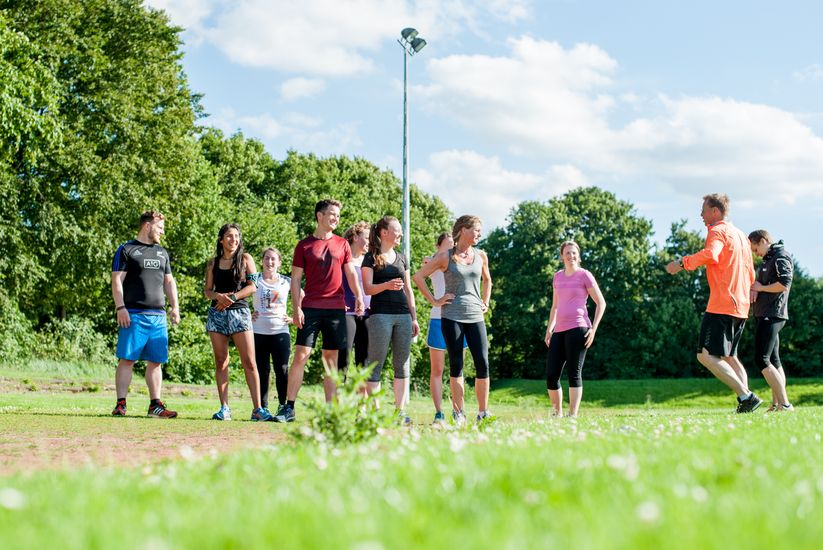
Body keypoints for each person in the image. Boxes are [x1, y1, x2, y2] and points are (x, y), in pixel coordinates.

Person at [666, 193, 761, 413]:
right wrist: (746, 296)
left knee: (705, 355)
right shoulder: (740, 236)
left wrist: (681, 263)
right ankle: (747, 400)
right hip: (741, 305)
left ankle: (746, 396)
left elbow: (711, 254)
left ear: (715, 211)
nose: (701, 214)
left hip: (722, 303)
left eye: (704, 209)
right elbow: (750, 272)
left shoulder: (718, 231)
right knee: (730, 356)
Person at [275, 199, 365, 423]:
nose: (336, 218)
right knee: (301, 356)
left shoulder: (343, 244)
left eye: (338, 215)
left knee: (331, 360)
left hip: (336, 309)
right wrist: (296, 308)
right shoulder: (303, 245)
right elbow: (295, 280)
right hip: (311, 309)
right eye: (332, 214)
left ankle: (330, 411)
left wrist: (359, 297)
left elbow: (351, 274)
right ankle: (289, 408)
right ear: (320, 216)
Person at [413, 215, 493, 424]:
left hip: (475, 316)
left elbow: (487, 280)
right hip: (451, 316)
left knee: (482, 363)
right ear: (463, 230)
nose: (479, 234)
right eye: (476, 230)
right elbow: (418, 276)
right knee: (457, 364)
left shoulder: (481, 255)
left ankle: (483, 413)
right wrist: (435, 300)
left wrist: (485, 301)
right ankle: (459, 413)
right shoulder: (444, 256)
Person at [111, 211, 180, 418]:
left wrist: (175, 306)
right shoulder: (126, 249)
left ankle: (155, 406)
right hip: (133, 314)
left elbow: (169, 282)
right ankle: (121, 404)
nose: (162, 232)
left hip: (158, 316)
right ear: (147, 226)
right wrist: (120, 307)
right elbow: (116, 280)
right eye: (160, 228)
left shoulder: (162, 252)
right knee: (127, 359)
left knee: (156, 362)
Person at [204, 223, 273, 421]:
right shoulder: (213, 263)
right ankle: (224, 408)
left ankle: (258, 409)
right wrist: (218, 296)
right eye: (229, 236)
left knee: (249, 362)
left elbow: (253, 286)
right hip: (217, 315)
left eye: (236, 236)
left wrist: (232, 298)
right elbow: (207, 291)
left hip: (240, 313)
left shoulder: (245, 259)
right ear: (221, 240)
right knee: (220, 361)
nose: (233, 240)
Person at [361, 216, 419, 424]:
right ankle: (375, 412)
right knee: (376, 363)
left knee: (402, 364)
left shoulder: (402, 258)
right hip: (380, 316)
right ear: (384, 232)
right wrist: (386, 285)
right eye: (397, 230)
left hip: (403, 316)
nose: (400, 234)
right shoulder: (370, 257)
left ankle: (399, 412)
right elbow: (368, 288)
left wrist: (414, 317)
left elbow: (409, 290)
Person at [543, 241, 606, 418]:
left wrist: (593, 329)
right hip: (559, 331)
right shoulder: (557, 277)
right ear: (562, 256)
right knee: (551, 374)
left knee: (574, 372)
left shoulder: (584, 275)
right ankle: (557, 415)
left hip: (579, 328)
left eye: (574, 253)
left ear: (578, 255)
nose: (571, 256)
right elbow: (555, 306)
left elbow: (601, 303)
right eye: (568, 253)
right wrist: (549, 329)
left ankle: (573, 416)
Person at [422, 232, 468, 425]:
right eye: (448, 245)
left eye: (453, 245)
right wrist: (435, 300)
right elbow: (419, 278)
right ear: (438, 246)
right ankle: (439, 413)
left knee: (458, 369)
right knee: (437, 370)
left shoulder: (459, 262)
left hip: (459, 319)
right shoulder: (432, 262)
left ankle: (459, 412)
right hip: (438, 319)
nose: (451, 248)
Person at [749, 230, 794, 412]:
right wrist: (757, 289)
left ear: (763, 241)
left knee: (762, 359)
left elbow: (784, 284)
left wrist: (761, 287)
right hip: (765, 313)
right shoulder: (769, 258)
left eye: (755, 248)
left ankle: (785, 404)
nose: (755, 253)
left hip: (773, 314)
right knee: (774, 360)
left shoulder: (781, 256)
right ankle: (777, 404)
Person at [252, 247, 297, 417]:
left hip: (280, 331)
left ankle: (283, 406)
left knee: (282, 369)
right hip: (258, 331)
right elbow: (238, 293)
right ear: (262, 261)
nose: (270, 262)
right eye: (267, 258)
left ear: (279, 262)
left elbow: (304, 297)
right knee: (262, 371)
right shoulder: (254, 279)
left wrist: (294, 318)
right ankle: (262, 408)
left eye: (273, 259)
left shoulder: (287, 281)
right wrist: (246, 314)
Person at [338, 222, 371, 376]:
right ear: (356, 237)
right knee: (343, 359)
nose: (370, 241)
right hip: (346, 313)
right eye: (367, 237)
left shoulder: (370, 261)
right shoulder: (341, 259)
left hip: (368, 315)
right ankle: (338, 398)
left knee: (364, 362)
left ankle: (362, 400)